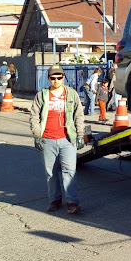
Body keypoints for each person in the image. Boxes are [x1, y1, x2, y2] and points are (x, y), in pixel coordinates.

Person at [29, 64, 85, 214]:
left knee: (70, 171)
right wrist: (36, 135)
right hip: (47, 139)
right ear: (48, 79)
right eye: (53, 78)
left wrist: (80, 135)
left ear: (63, 77)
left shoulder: (71, 94)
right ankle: (54, 200)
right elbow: (34, 116)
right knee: (51, 173)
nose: (56, 80)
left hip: (67, 139)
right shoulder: (42, 95)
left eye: (59, 77)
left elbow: (78, 115)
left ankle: (72, 202)